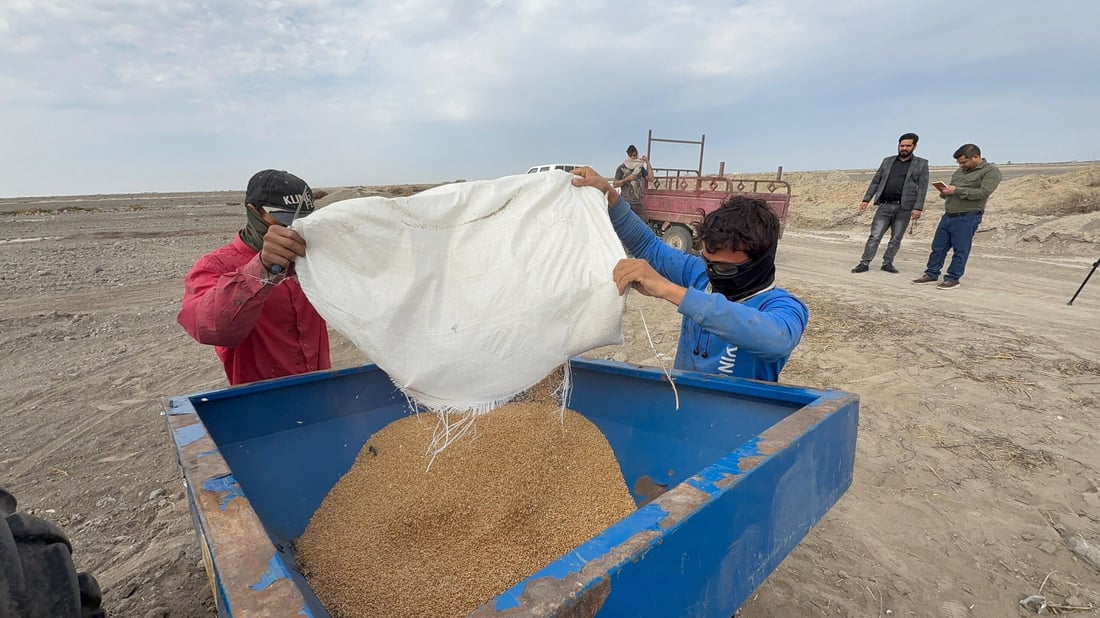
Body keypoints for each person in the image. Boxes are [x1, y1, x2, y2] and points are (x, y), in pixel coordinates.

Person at [571, 167, 808, 382]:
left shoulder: (784, 307)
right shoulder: (700, 275)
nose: (712, 272)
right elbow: (649, 246)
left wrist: (666, 288)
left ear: (759, 263)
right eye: (707, 261)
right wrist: (610, 196)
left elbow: (777, 339)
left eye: (724, 268)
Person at [177, 169, 330, 385]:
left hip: (323, 388)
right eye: (283, 219)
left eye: (303, 221)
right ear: (254, 211)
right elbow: (209, 328)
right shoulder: (216, 266)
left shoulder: (310, 258)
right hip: (261, 400)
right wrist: (262, 269)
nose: (294, 229)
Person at [912, 144, 1002, 290]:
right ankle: (931, 273)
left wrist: (956, 190)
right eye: (959, 163)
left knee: (960, 249)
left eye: (964, 162)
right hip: (948, 215)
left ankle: (953, 278)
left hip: (968, 217)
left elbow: (983, 193)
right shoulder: (960, 171)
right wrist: (945, 191)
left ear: (976, 157)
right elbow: (953, 188)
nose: (961, 165)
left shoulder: (991, 172)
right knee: (938, 247)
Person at [851, 132, 929, 274]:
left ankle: (888, 263)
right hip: (885, 205)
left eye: (907, 146)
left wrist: (918, 208)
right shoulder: (887, 161)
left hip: (904, 208)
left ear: (915, 146)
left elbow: (923, 187)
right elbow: (876, 181)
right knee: (875, 236)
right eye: (901, 145)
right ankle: (864, 263)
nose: (904, 148)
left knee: (896, 238)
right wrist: (866, 199)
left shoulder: (921, 164)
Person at [612, 145, 652, 215]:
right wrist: (628, 179)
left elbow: (651, 178)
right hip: (625, 202)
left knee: (641, 223)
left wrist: (647, 162)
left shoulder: (640, 167)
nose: (633, 157)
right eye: (631, 156)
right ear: (628, 155)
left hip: (637, 203)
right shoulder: (621, 168)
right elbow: (615, 184)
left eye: (634, 155)